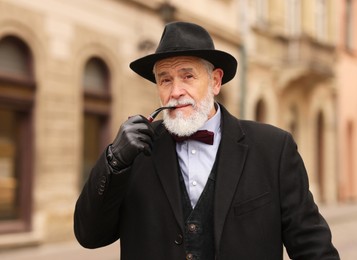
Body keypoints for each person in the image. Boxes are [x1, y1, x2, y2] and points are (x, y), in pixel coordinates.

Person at [74, 21, 340, 260]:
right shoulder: (134, 153)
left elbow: (312, 247)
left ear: (215, 81)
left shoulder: (273, 148)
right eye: (165, 80)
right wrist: (113, 161)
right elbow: (89, 235)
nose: (176, 91)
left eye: (187, 76)